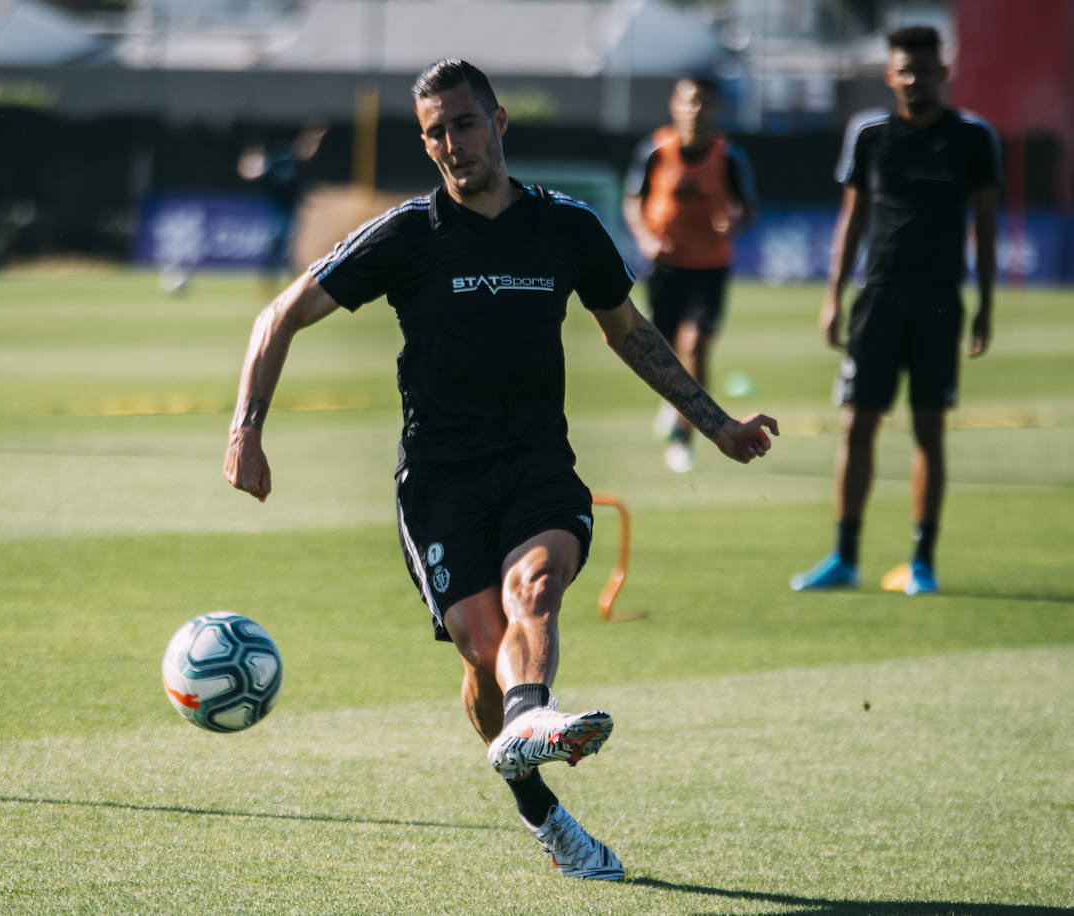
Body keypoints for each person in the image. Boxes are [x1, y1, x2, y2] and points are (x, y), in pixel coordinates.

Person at [224, 59, 777, 880]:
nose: (453, 143)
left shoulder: (567, 228)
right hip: (440, 482)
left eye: (465, 124)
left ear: (500, 122)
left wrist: (717, 425)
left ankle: (532, 715)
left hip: (536, 465)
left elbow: (630, 332)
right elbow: (280, 315)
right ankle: (543, 811)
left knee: (536, 590)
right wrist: (247, 429)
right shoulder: (409, 234)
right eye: (436, 132)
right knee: (482, 648)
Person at [791, 26, 999, 595]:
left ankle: (923, 561)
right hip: (877, 299)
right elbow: (852, 220)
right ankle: (845, 555)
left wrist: (985, 305)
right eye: (904, 70)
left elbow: (983, 227)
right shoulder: (869, 134)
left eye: (924, 70)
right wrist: (833, 296)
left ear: (943, 73)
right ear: (890, 75)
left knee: (929, 429)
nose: (914, 80)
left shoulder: (973, 139)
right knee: (857, 426)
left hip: (939, 303)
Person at [623, 76, 757, 473]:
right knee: (664, 353)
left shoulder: (730, 157)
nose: (696, 110)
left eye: (704, 103)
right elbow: (633, 202)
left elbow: (748, 210)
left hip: (710, 267)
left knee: (696, 347)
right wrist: (645, 237)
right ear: (675, 105)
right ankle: (674, 407)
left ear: (715, 109)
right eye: (689, 101)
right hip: (665, 267)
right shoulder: (654, 150)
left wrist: (735, 222)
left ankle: (683, 435)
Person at [236, 120, 327, 296]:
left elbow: (304, 151)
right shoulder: (271, 163)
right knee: (276, 253)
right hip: (276, 216)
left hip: (290, 215)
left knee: (288, 253)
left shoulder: (286, 157)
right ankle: (272, 286)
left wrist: (313, 136)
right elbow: (249, 172)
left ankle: (294, 287)